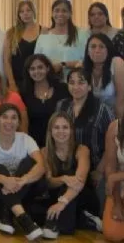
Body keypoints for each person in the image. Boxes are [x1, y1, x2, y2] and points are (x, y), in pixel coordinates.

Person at [0, 103, 45, 241]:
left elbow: (41, 166)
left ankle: (6, 214)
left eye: (14, 118)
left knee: (31, 163)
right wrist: (4, 180)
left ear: (19, 122)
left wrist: (24, 180)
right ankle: (24, 219)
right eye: (5, 117)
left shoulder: (26, 139)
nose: (9, 121)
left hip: (19, 190)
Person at [56, 67, 115, 213]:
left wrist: (100, 171)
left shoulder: (102, 109)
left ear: (89, 86)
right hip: (68, 167)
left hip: (96, 169)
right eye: (72, 82)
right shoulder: (62, 106)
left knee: (99, 211)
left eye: (81, 83)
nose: (76, 87)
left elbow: (113, 143)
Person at [40, 112, 101, 239]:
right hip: (58, 197)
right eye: (56, 127)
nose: (61, 131)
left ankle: (56, 225)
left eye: (65, 127)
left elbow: (79, 181)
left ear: (71, 130)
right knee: (35, 208)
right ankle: (85, 220)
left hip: (83, 197)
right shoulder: (44, 152)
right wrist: (63, 179)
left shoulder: (82, 149)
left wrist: (62, 203)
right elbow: (49, 182)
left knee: (68, 182)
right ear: (50, 131)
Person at [20, 54, 70, 148]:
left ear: (47, 68)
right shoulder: (24, 93)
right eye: (32, 69)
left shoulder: (62, 89)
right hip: (34, 146)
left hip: (60, 143)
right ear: (28, 72)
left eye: (40, 67)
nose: (36, 71)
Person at [35, 0, 89, 80]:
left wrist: (63, 64)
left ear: (70, 14)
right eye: (56, 10)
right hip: (49, 82)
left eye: (64, 11)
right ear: (52, 14)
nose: (60, 14)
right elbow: (36, 60)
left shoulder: (82, 34)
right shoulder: (44, 36)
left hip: (75, 84)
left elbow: (88, 60)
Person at [4, 0, 43, 91]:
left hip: (39, 81)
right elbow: (6, 61)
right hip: (18, 82)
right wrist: (12, 83)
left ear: (34, 11)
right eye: (22, 12)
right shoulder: (11, 33)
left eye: (28, 10)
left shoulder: (44, 31)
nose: (25, 14)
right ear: (19, 15)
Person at [83, 33, 124, 118]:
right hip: (93, 117)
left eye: (101, 47)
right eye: (93, 46)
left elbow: (121, 100)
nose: (97, 50)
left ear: (108, 50)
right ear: (88, 51)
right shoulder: (84, 68)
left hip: (115, 115)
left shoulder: (116, 62)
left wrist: (118, 126)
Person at [103, 116, 124, 242]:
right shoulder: (115, 127)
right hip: (120, 189)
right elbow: (110, 166)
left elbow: (113, 176)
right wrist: (117, 203)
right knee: (112, 235)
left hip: (118, 178)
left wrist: (117, 176)